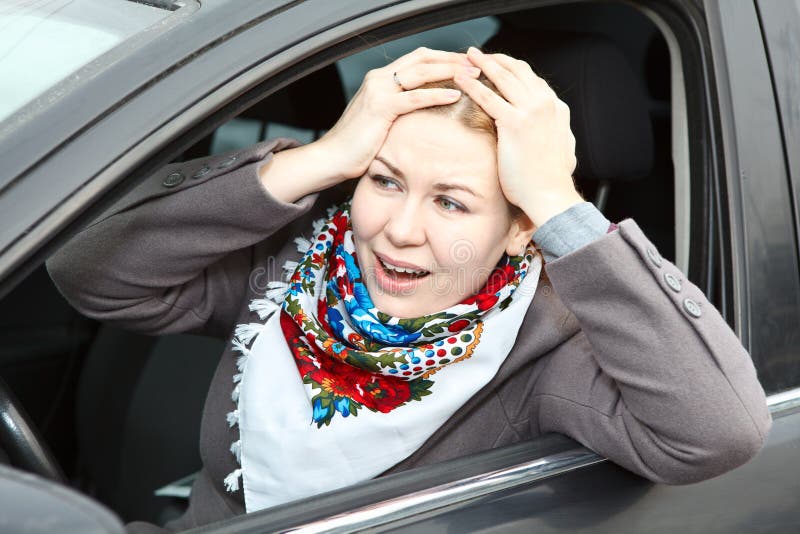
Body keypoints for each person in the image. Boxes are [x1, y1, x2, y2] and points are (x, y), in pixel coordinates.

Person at [46, 46, 771, 531]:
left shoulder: (547, 346)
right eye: (384, 181)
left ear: (521, 228)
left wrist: (556, 203)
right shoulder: (297, 266)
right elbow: (88, 271)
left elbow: (720, 432)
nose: (397, 230)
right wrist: (323, 155)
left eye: (451, 202)